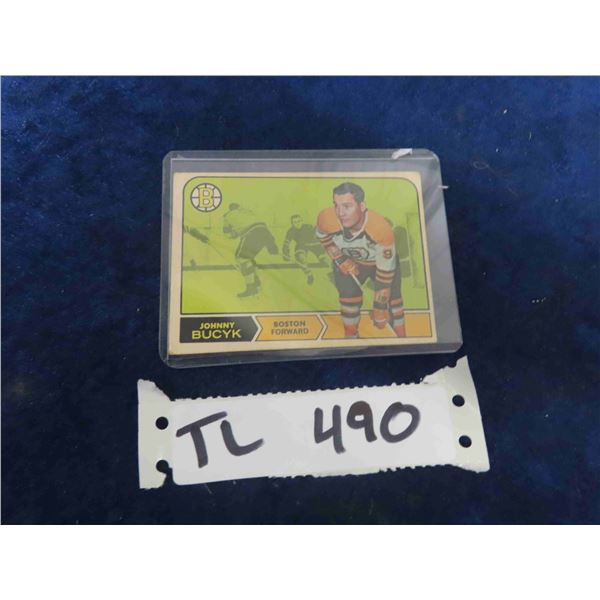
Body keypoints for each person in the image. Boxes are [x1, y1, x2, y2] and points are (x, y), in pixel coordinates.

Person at [316, 182, 405, 338]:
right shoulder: (327, 218)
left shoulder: (381, 229)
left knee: (393, 300)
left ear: (362, 206)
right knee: (348, 299)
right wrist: (340, 258)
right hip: (350, 260)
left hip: (380, 265)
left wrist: (379, 306)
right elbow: (323, 237)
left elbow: (385, 275)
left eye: (347, 206)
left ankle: (403, 339)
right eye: (336, 205)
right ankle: (351, 338)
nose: (340, 213)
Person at [222, 203, 278, 298]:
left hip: (251, 232)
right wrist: (272, 246)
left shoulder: (227, 216)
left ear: (230, 209)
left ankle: (251, 288)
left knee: (241, 258)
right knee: (248, 258)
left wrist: (233, 234)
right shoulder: (248, 210)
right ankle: (256, 283)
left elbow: (228, 234)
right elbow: (259, 224)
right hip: (266, 232)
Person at [282, 214, 328, 285]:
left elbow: (320, 233)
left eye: (299, 221)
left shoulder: (308, 227)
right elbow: (286, 243)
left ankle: (330, 268)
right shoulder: (291, 231)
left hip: (314, 244)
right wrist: (285, 252)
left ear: (302, 221)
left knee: (324, 260)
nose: (298, 223)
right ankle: (309, 275)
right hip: (301, 246)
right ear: (292, 224)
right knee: (301, 258)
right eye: (295, 222)